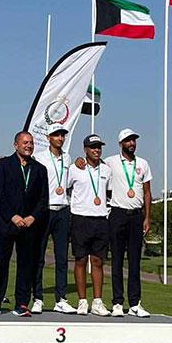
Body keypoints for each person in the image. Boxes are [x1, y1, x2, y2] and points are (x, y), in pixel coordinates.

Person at [0, 131, 48, 317]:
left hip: (29, 225)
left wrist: (32, 217)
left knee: (26, 265)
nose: (29, 145)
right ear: (16, 145)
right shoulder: (2, 165)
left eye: (31, 143)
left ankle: (22, 304)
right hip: (7, 222)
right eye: (25, 142)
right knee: (1, 263)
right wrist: (12, 216)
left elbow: (43, 199)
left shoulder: (40, 169)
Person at [104, 128, 153, 317]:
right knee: (116, 259)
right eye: (127, 140)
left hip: (136, 216)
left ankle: (135, 303)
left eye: (133, 140)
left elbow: (147, 192)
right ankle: (117, 302)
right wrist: (80, 161)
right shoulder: (110, 162)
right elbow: (92, 166)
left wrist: (147, 217)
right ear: (120, 144)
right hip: (117, 214)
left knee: (135, 261)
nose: (131, 143)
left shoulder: (143, 164)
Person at [31, 124, 77, 314]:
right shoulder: (39, 157)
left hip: (63, 210)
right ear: (49, 137)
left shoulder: (67, 158)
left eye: (62, 135)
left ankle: (61, 298)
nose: (60, 138)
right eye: (56, 135)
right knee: (38, 257)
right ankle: (38, 298)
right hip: (45, 211)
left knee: (62, 258)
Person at [66, 134, 112, 316]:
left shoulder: (107, 170)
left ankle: (98, 302)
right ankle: (82, 301)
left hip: (100, 219)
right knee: (81, 260)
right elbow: (66, 188)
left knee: (98, 261)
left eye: (99, 147)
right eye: (93, 147)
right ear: (85, 149)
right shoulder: (75, 168)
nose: (96, 150)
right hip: (80, 219)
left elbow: (109, 193)